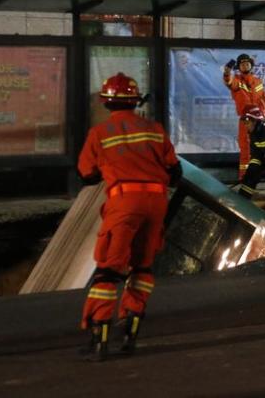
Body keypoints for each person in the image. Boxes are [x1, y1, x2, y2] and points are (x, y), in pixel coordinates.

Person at [77, 73, 181, 361]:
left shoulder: (99, 133)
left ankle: (99, 336)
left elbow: (86, 174)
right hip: (156, 201)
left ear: (106, 102)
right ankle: (130, 328)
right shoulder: (154, 129)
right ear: (135, 101)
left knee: (108, 270)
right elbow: (175, 171)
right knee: (142, 267)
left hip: (124, 202)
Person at [224, 53, 265, 179]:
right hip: (246, 121)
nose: (245, 66)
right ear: (239, 67)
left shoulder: (258, 81)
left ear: (251, 66)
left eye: (247, 64)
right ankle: (245, 177)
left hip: (260, 120)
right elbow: (228, 82)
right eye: (242, 64)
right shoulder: (237, 81)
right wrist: (227, 71)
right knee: (246, 147)